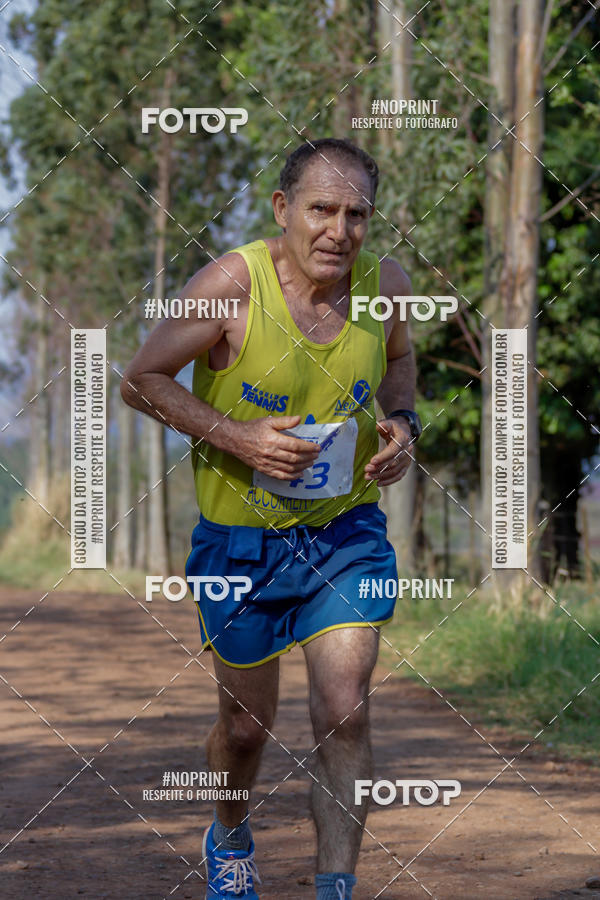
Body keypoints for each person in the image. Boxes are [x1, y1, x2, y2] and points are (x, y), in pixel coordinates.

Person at [121, 137, 420, 900]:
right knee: (247, 726)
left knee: (344, 710)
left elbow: (400, 358)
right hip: (239, 547)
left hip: (344, 535)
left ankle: (335, 888)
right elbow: (141, 378)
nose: (339, 231)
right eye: (322, 209)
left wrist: (403, 425)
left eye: (357, 214)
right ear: (284, 209)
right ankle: (228, 833)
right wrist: (236, 436)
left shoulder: (384, 285)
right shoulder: (231, 285)